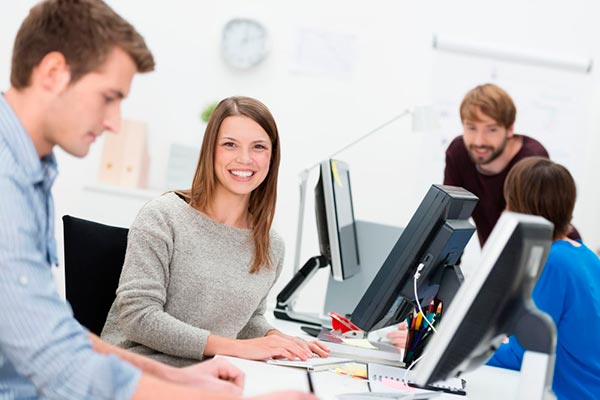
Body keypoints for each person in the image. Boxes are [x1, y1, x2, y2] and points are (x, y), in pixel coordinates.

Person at [0, 1, 316, 399]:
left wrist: (182, 379)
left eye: (258, 147)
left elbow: (57, 333)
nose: (115, 122)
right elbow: (52, 357)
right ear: (52, 73)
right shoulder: (8, 181)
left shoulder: (32, 174)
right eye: (109, 97)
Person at [101, 96, 330, 365]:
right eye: (230, 145)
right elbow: (138, 317)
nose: (244, 159)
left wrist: (278, 340)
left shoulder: (270, 244)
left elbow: (248, 319)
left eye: (258, 147)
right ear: (210, 150)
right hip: (138, 369)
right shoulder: (163, 216)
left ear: (272, 156)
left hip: (208, 371)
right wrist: (237, 348)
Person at [487, 157, 600, 399]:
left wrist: (442, 350)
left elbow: (524, 356)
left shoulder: (551, 263)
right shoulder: (584, 255)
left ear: (521, 208)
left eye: (509, 202)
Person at [443, 83, 561, 247]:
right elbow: (450, 223)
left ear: (510, 128)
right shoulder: (458, 152)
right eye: (471, 128)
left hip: (547, 252)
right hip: (498, 254)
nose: (479, 141)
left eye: (491, 130)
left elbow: (528, 236)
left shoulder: (531, 160)